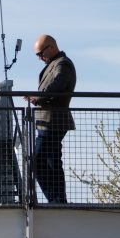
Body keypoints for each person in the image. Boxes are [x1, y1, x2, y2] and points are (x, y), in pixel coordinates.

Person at [28, 35, 76, 204]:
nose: (39, 57)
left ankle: (57, 200)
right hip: (49, 121)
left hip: (54, 121)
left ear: (52, 47)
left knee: (40, 161)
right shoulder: (55, 64)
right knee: (51, 160)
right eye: (37, 55)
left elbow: (57, 85)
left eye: (40, 53)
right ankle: (57, 200)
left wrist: (38, 98)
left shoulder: (63, 63)